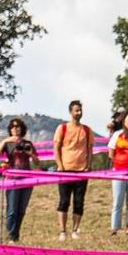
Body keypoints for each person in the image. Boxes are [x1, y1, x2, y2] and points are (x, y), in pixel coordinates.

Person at [0, 118, 40, 243]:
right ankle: (11, 236)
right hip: (12, 179)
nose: (15, 128)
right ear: (10, 129)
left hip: (27, 180)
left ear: (22, 128)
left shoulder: (28, 143)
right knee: (12, 210)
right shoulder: (8, 144)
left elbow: (37, 162)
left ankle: (15, 235)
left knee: (21, 210)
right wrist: (6, 140)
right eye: (13, 126)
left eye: (18, 126)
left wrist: (31, 154)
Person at [53, 100, 93, 239]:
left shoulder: (87, 130)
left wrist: (88, 166)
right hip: (65, 170)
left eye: (80, 110)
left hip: (81, 171)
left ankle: (75, 230)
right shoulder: (62, 128)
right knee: (64, 201)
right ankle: (62, 231)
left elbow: (89, 149)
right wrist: (60, 165)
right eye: (76, 110)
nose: (79, 112)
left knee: (79, 201)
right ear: (71, 112)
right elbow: (56, 148)